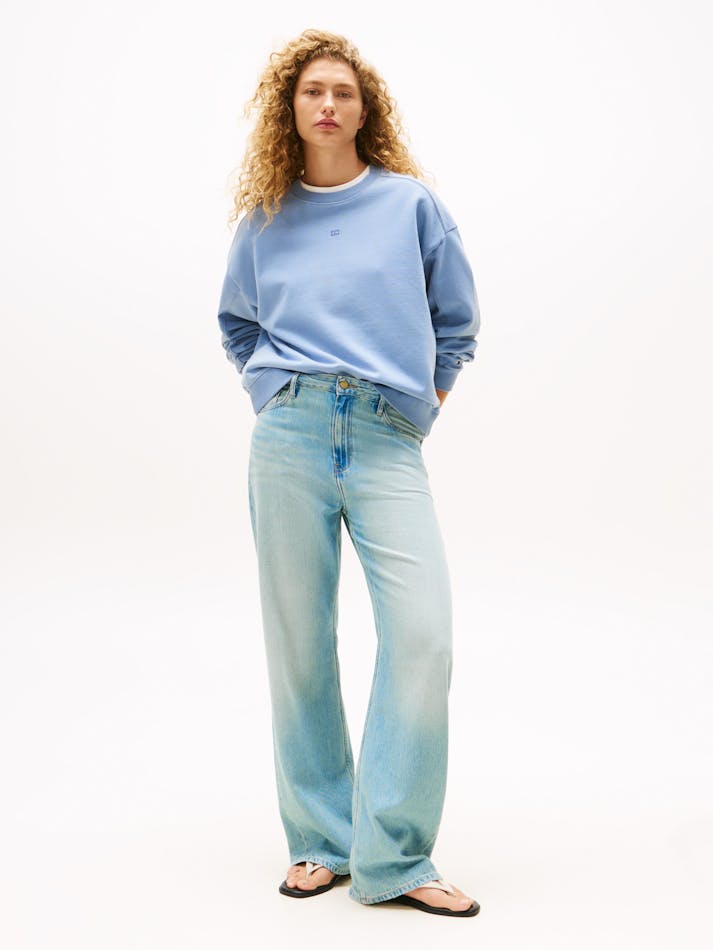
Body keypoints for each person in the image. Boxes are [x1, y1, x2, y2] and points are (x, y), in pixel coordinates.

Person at [216, 29, 481, 918]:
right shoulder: (264, 218)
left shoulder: (409, 204)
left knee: (422, 635)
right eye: (311, 92)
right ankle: (321, 841)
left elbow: (456, 321)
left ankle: (394, 854)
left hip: (383, 436)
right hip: (288, 434)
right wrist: (271, 392)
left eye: (344, 93)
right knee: (299, 642)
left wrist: (417, 405)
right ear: (289, 109)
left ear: (366, 111)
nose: (327, 104)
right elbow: (236, 323)